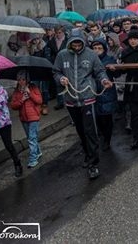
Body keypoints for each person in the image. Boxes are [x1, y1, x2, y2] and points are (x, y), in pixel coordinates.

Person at [53, 29, 112, 180]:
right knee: (80, 130)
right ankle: (87, 154)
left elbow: (99, 71)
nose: (77, 45)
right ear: (70, 42)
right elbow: (56, 72)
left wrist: (104, 80)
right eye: (74, 43)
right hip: (71, 99)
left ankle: (93, 164)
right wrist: (61, 79)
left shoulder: (91, 55)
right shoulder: (62, 55)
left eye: (79, 43)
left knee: (90, 130)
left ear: (83, 42)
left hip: (87, 97)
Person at [91, 38, 119, 151]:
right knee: (97, 118)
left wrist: (114, 69)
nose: (97, 50)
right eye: (95, 48)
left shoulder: (110, 59)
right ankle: (102, 136)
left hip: (107, 92)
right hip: (93, 91)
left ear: (104, 49)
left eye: (99, 48)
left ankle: (107, 139)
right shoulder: (90, 60)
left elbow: (117, 74)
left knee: (106, 118)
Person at [10, 70, 43, 168]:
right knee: (30, 137)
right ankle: (38, 151)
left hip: (33, 117)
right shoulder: (16, 91)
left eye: (23, 79)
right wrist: (22, 100)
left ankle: (33, 159)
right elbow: (13, 105)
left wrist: (30, 94)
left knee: (32, 138)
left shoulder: (33, 87)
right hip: (23, 118)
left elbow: (39, 101)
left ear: (27, 80)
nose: (21, 82)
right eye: (19, 80)